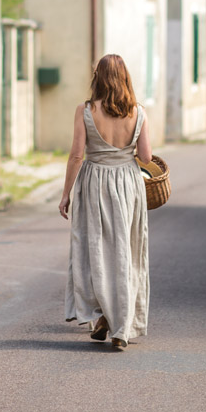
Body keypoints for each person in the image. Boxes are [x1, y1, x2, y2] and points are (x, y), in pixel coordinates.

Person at [60, 53, 151, 351]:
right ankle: (120, 326)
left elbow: (76, 155)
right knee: (125, 251)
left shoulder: (85, 110)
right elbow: (147, 158)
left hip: (94, 182)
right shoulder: (139, 112)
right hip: (127, 183)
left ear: (97, 77)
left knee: (95, 251)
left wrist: (65, 194)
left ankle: (101, 315)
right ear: (125, 77)